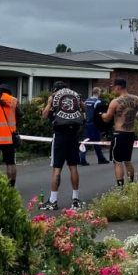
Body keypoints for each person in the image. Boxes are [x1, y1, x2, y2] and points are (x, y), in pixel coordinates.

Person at [39, 81, 84, 211]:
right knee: (73, 167)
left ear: (54, 89)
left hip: (60, 134)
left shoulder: (54, 96)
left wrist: (48, 108)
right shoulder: (76, 95)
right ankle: (75, 199)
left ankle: (53, 201)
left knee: (57, 169)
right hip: (73, 134)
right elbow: (84, 109)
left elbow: (45, 115)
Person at [100, 78, 138, 186]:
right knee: (127, 160)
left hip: (119, 134)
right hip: (130, 133)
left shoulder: (115, 102)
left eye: (114, 87)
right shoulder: (137, 99)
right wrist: (133, 117)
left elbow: (107, 119)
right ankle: (131, 185)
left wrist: (101, 114)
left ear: (118, 87)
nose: (113, 89)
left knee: (117, 161)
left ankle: (121, 188)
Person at [0, 84, 24, 187]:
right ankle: (11, 186)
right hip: (8, 138)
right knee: (10, 163)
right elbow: (20, 115)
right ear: (8, 92)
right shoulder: (13, 100)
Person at [79, 87, 110, 166]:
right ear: (98, 93)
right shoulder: (97, 101)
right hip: (94, 124)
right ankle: (100, 158)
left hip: (87, 123)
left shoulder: (87, 101)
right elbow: (99, 113)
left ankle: (82, 158)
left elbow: (84, 111)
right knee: (97, 141)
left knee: (86, 140)